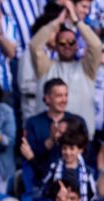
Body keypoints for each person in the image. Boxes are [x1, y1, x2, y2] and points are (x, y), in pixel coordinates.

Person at [30, 2, 101, 136]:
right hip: (49, 139)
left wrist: (76, 21)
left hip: (81, 140)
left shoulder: (87, 68)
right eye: (62, 43)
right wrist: (58, 21)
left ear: (76, 46)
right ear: (55, 46)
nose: (67, 46)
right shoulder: (46, 67)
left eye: (71, 42)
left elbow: (96, 46)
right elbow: (34, 46)